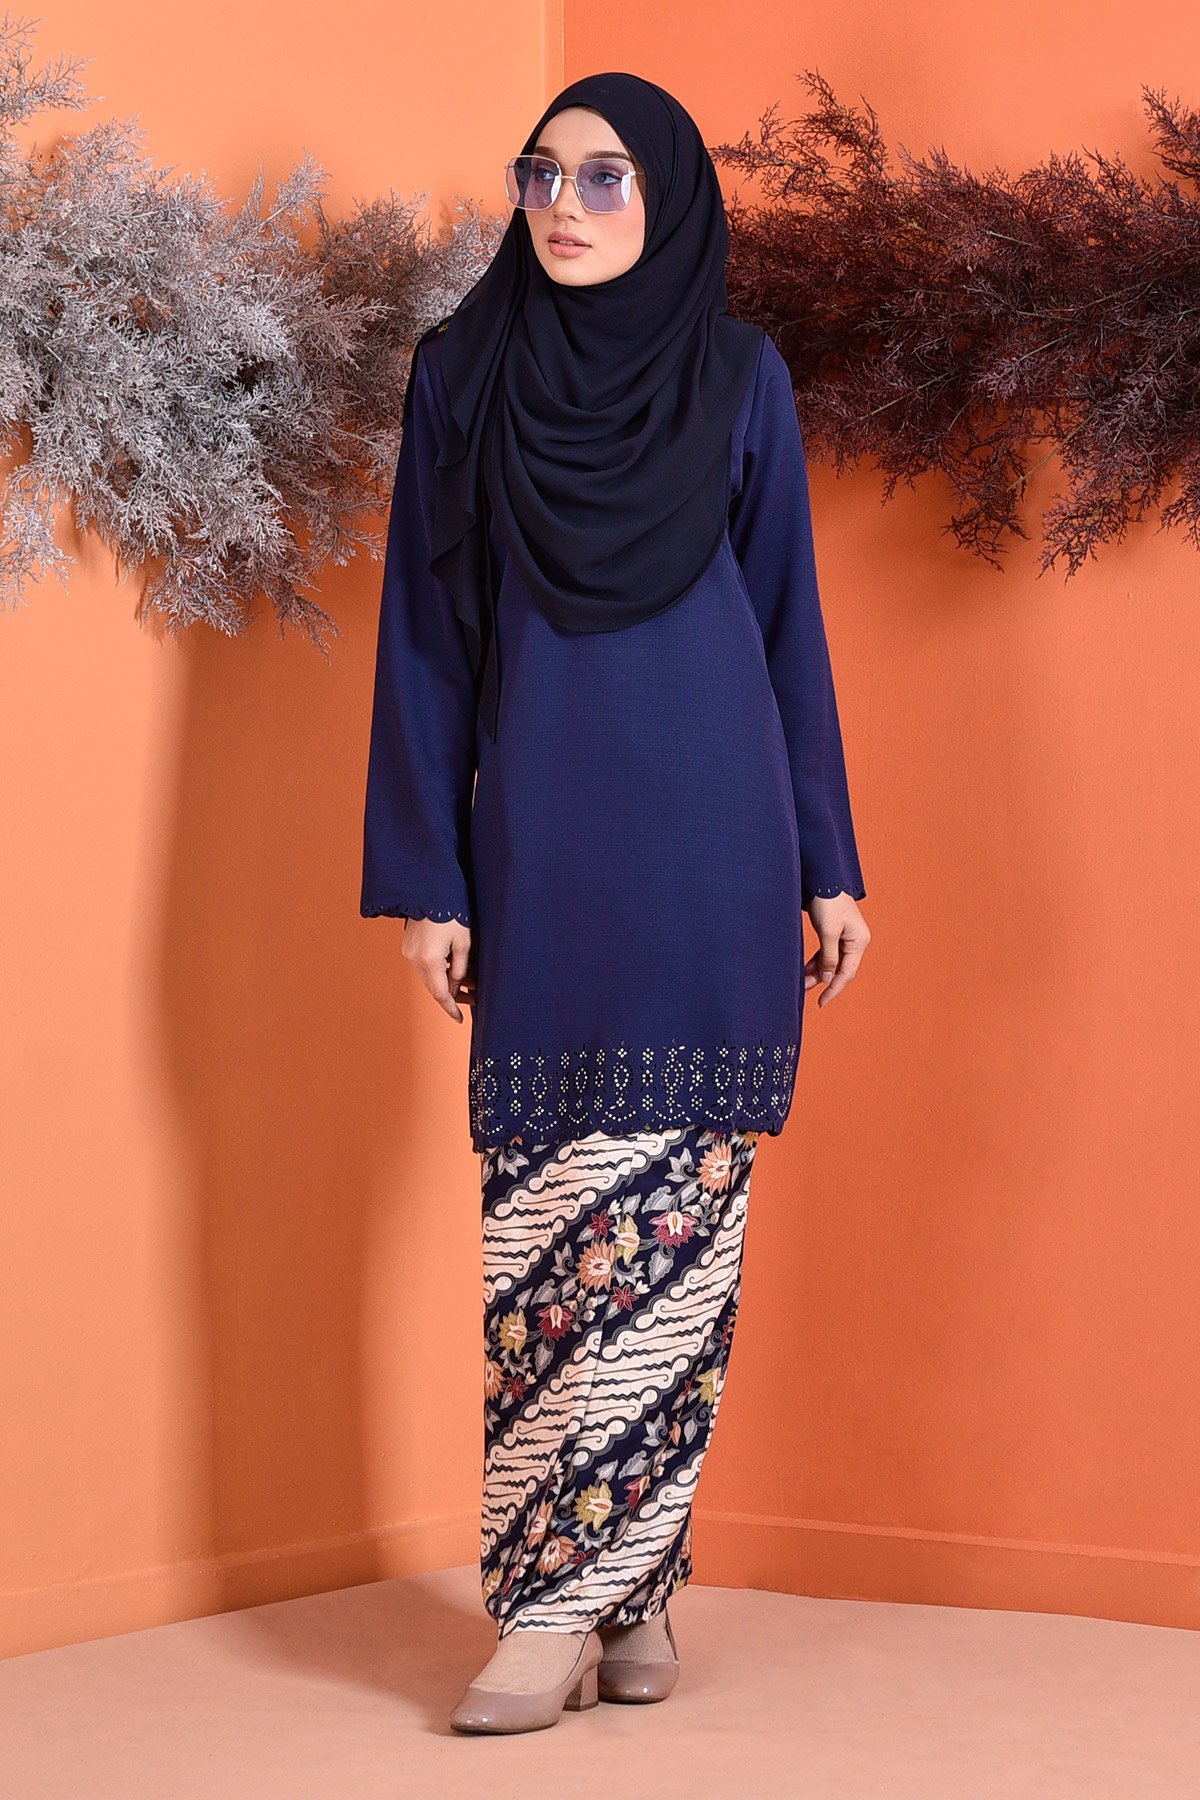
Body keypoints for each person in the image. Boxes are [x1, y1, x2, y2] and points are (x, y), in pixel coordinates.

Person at [360, 70, 871, 1735]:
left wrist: (828, 860)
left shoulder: (739, 375)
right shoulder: (465, 376)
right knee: (549, 1239)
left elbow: (787, 628)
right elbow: (426, 641)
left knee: (678, 1243)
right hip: (547, 845)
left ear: (669, 198)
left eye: (603, 178)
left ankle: (601, 1596)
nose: (564, 207)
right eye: (540, 176)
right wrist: (427, 874)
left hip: (715, 846)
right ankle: (569, 1594)